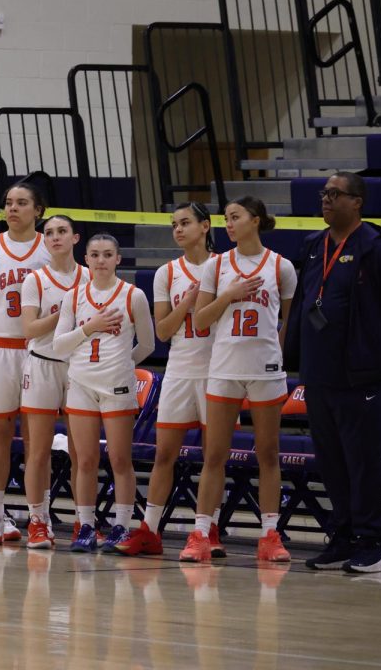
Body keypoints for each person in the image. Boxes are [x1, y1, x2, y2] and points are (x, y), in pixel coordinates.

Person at [285, 172, 381, 574]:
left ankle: (371, 543)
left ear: (356, 202)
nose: (326, 200)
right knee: (333, 461)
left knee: (363, 461)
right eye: (324, 194)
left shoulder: (377, 250)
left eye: (335, 194)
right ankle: (341, 536)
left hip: (363, 377)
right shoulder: (311, 247)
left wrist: (371, 351)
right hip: (319, 376)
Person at [181, 197, 297, 564]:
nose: (229, 224)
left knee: (268, 453)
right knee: (214, 454)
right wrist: (229, 296)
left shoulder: (282, 267)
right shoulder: (217, 266)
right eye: (226, 219)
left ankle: (270, 535)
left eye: (236, 217)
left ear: (256, 221)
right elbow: (200, 321)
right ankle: (200, 533)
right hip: (224, 368)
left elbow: (288, 324)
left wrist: (274, 355)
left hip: (264, 370)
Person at [117, 203, 220, 557]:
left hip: (217, 370)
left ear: (205, 226)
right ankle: (150, 529)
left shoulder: (223, 267)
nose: (178, 230)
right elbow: (162, 331)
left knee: (214, 457)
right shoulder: (167, 272)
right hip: (179, 368)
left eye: (185, 223)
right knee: (164, 454)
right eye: (174, 224)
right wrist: (189, 302)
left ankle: (209, 530)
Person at [53, 233, 154, 553]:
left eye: (107, 254)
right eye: (95, 254)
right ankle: (84, 525)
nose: (101, 260)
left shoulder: (133, 296)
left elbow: (149, 345)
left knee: (120, 458)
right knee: (83, 459)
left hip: (117, 386)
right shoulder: (74, 297)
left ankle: (122, 526)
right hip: (81, 383)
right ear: (86, 259)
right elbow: (58, 345)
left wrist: (122, 365)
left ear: (118, 259)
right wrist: (90, 327)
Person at [0, 182, 50, 544]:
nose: (13, 208)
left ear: (38, 210)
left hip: (39, 350)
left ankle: (38, 518)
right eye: (8, 203)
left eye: (21, 203)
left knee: (37, 441)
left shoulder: (50, 247)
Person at [19, 214, 86, 549]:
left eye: (62, 231)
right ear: (44, 241)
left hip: (78, 367)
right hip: (43, 364)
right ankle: (37, 521)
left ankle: (83, 522)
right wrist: (66, 312)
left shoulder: (90, 276)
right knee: (39, 450)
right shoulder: (36, 280)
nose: (56, 237)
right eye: (50, 233)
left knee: (81, 452)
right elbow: (28, 329)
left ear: (75, 238)